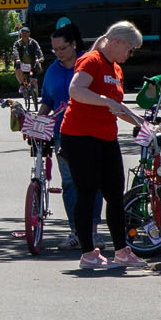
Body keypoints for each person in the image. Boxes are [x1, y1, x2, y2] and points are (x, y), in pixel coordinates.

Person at [59, 21, 146, 268]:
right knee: (87, 193)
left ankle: (121, 251)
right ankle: (88, 253)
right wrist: (104, 100)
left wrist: (141, 122)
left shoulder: (115, 69)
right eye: (130, 48)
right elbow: (75, 90)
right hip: (80, 136)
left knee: (115, 195)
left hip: (106, 137)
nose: (131, 54)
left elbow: (116, 106)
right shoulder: (92, 60)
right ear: (117, 41)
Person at [38, 21, 99, 248]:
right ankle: (76, 231)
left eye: (62, 48)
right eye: (54, 50)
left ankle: (92, 231)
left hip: (91, 130)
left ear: (74, 44)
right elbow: (47, 101)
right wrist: (39, 119)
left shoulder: (89, 64)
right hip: (62, 133)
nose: (58, 53)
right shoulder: (52, 70)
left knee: (93, 180)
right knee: (70, 182)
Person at [13, 24, 45, 95]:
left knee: (34, 81)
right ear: (20, 34)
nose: (24, 35)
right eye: (23, 33)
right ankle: (22, 84)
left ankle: (35, 96)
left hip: (32, 64)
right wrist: (17, 59)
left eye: (26, 33)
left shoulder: (33, 42)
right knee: (18, 68)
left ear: (29, 34)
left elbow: (38, 50)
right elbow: (15, 52)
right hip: (22, 64)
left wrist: (40, 58)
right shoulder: (17, 44)